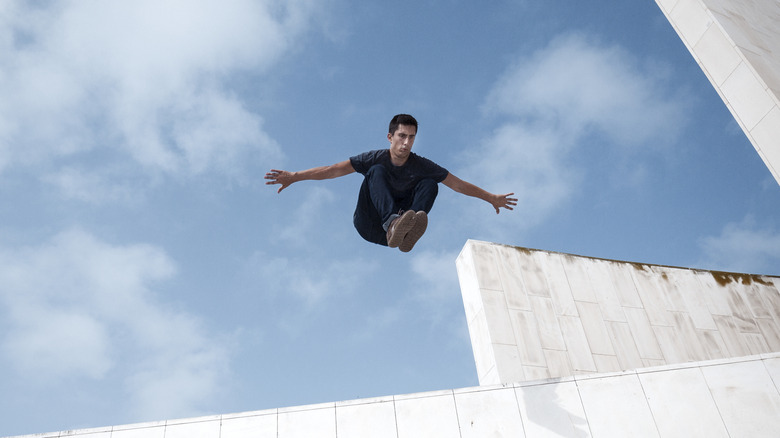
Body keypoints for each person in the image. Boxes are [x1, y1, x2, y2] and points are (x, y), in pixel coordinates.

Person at [265, 114, 517, 252]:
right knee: (375, 171)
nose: (406, 143)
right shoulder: (374, 157)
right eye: (402, 136)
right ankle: (393, 223)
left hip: (396, 237)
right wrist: (295, 177)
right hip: (369, 223)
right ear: (390, 136)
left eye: (412, 138)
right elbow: (332, 171)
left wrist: (491, 198)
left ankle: (408, 226)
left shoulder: (422, 165)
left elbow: (458, 185)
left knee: (432, 183)